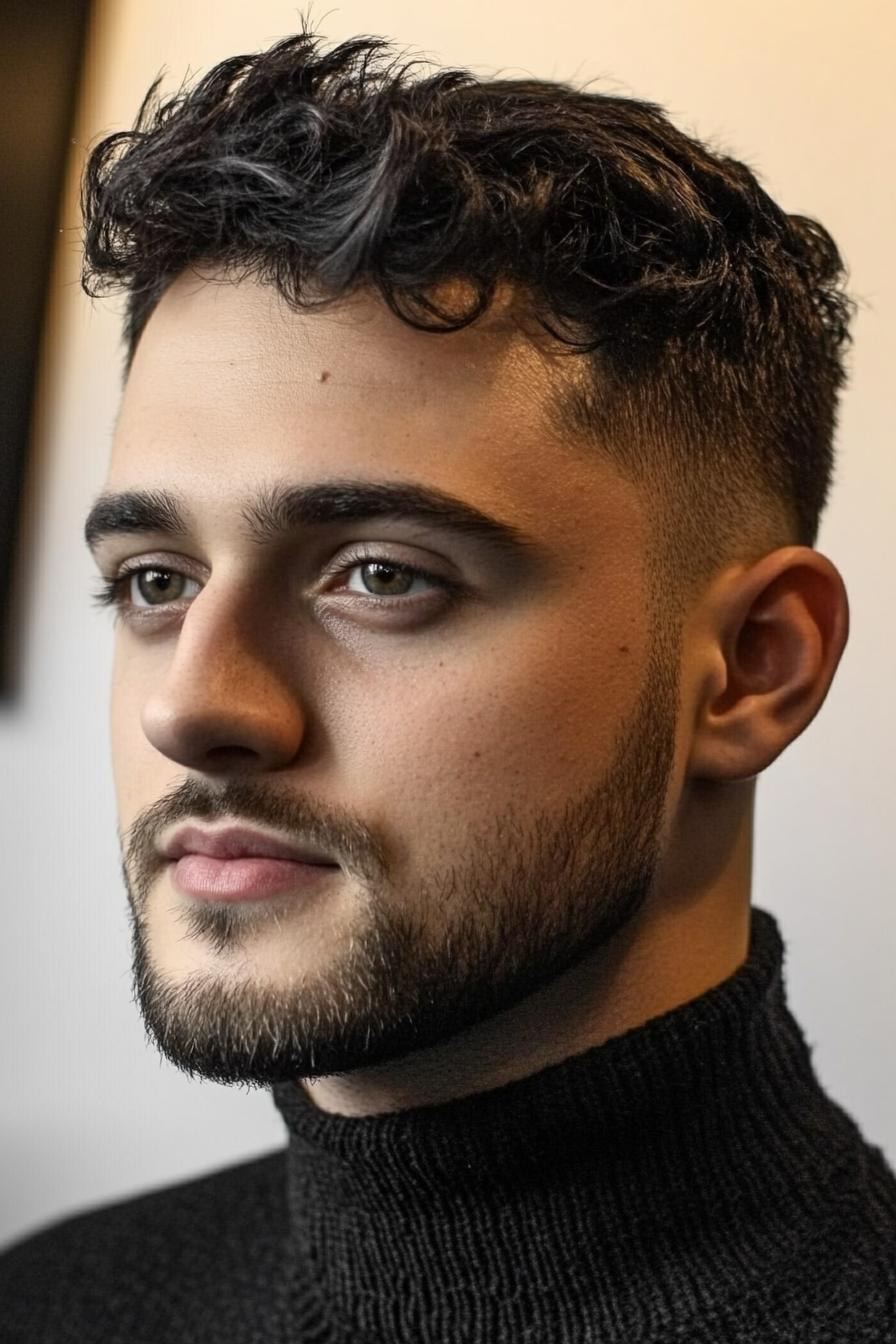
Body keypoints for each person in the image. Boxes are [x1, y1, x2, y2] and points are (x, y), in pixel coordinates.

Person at [2, 22, 894, 1342]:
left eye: (379, 575)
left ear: (755, 669)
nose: (189, 708)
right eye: (155, 581)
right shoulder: (53, 1297)